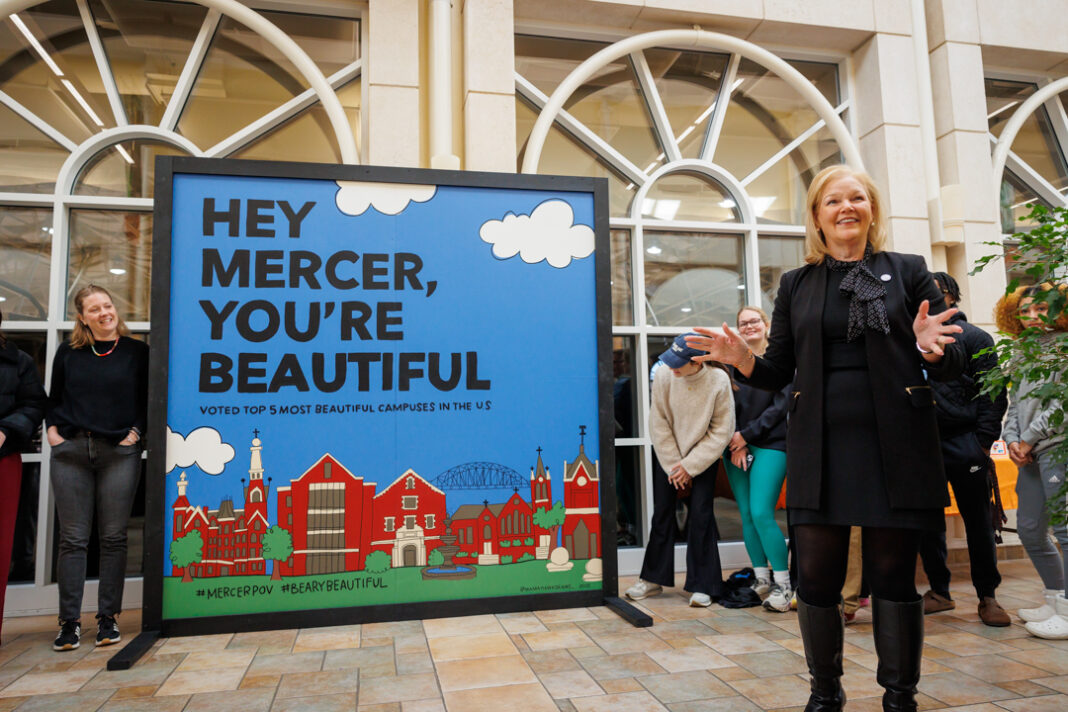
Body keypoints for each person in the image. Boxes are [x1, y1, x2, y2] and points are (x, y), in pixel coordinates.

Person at [687, 165, 963, 712]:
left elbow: (950, 356)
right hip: (820, 446)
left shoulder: (908, 272)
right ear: (817, 215)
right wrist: (744, 360)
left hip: (897, 446)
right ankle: (825, 692)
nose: (846, 207)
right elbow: (779, 368)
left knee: (891, 577)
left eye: (857, 198)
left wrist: (935, 349)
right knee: (815, 577)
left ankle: (899, 696)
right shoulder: (798, 284)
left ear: (872, 210)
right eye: (833, 200)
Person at [46, 285, 148, 651]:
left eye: (107, 305)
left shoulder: (137, 352)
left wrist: (135, 433)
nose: (104, 312)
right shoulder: (69, 352)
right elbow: (53, 398)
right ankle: (69, 623)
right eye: (94, 308)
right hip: (72, 451)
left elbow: (147, 400)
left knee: (114, 537)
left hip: (118, 452)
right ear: (82, 317)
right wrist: (54, 433)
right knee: (72, 539)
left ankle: (108, 618)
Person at [918, 272, 1009, 626]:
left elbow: (993, 393)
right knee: (928, 523)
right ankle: (940, 592)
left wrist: (982, 443)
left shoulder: (976, 337)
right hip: (922, 445)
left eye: (935, 293)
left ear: (951, 297)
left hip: (966, 442)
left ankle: (988, 597)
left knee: (978, 523)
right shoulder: (910, 340)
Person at [625, 334, 734, 607]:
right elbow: (658, 419)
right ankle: (652, 579)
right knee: (662, 515)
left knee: (701, 515)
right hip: (668, 456)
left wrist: (690, 465)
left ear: (697, 360)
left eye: (679, 362)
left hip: (703, 457)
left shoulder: (718, 381)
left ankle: (703, 585)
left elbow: (722, 430)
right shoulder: (663, 375)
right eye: (670, 359)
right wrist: (675, 465)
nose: (672, 366)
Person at [998, 284, 1068, 639]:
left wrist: (1028, 438)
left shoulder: (1065, 347)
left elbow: (1063, 406)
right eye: (1025, 311)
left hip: (1057, 446)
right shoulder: (1022, 351)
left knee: (1066, 531)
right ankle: (1055, 598)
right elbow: (1015, 404)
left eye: (1040, 309)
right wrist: (1012, 439)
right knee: (1028, 528)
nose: (1032, 317)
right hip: (1029, 453)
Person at [722, 306, 792, 611]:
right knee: (747, 515)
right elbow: (724, 406)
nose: (749, 326)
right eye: (742, 323)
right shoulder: (730, 365)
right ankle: (761, 578)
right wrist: (736, 441)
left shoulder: (780, 362)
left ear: (765, 325)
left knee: (763, 513)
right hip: (736, 446)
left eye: (754, 321)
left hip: (771, 444)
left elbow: (780, 407)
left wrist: (746, 436)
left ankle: (784, 584)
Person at [0, 308, 48, 646]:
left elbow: (34, 404)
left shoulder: (18, 361)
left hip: (3, 459)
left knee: (2, 548)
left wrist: (5, 431)